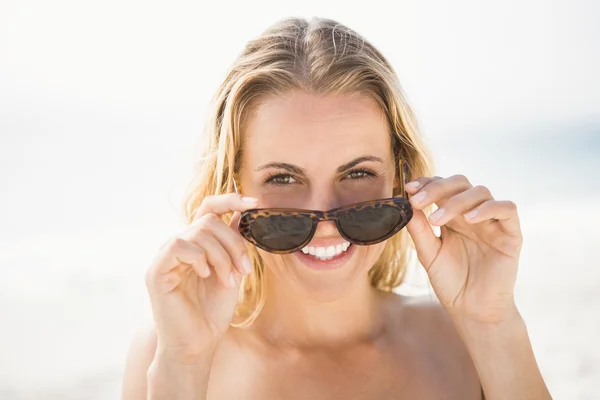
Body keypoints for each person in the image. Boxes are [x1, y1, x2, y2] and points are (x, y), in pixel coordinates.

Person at [122, 17, 552, 399]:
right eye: (284, 179)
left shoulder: (465, 339)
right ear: (232, 185)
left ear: (402, 179)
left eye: (358, 174)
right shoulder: (171, 352)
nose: (326, 218)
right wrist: (184, 366)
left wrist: (493, 324)